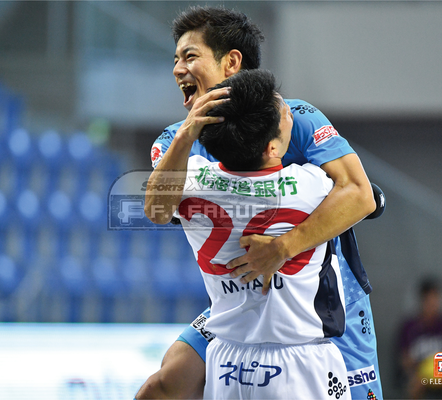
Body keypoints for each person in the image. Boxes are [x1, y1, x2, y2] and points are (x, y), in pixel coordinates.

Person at [138, 6, 383, 400]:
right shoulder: (175, 140)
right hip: (243, 298)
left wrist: (282, 249)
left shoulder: (292, 118)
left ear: (231, 62)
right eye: (176, 59)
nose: (177, 69)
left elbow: (361, 195)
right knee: (162, 387)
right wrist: (186, 134)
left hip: (322, 302)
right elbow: (156, 210)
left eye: (189, 56)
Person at [175, 68, 350, 398]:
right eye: (282, 113)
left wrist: (186, 132)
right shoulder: (312, 185)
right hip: (300, 360)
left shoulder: (190, 180)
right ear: (271, 147)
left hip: (225, 360)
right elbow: (361, 195)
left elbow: (154, 203)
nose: (289, 112)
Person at [398, 277, 442, 399]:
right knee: (414, 386)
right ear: (422, 300)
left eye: (436, 299)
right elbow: (404, 358)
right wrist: (418, 369)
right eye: (429, 300)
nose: (433, 304)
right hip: (419, 374)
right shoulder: (410, 326)